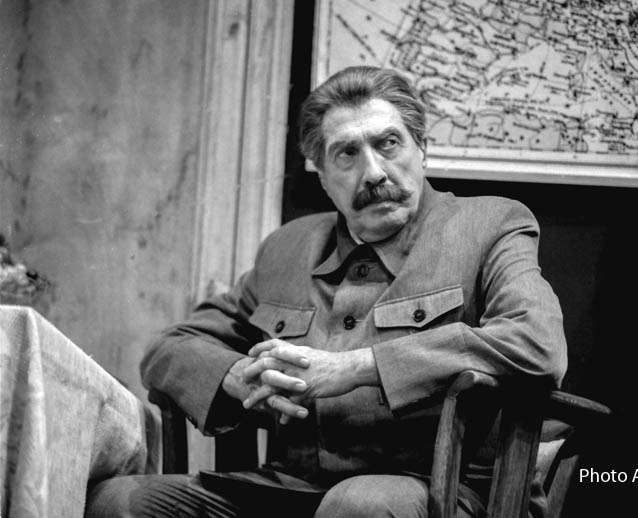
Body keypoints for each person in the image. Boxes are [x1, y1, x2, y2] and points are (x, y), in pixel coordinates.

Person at [85, 66, 568, 518]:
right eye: (347, 154)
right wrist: (235, 377)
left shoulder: (491, 224)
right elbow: (171, 347)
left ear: (422, 149)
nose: (374, 172)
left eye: (389, 143)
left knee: (358, 505)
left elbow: (536, 344)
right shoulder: (287, 247)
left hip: (442, 491)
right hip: (292, 486)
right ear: (320, 171)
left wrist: (354, 367)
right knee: (120, 500)